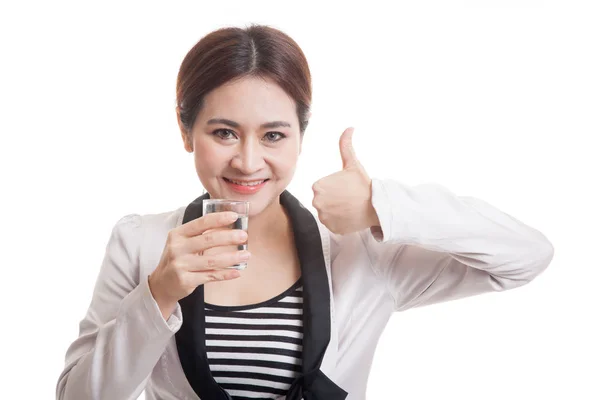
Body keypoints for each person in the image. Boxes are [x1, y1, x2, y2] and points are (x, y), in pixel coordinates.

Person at [56, 24, 554, 400]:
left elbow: (526, 256)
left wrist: (383, 205)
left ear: (299, 137)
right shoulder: (142, 244)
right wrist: (159, 292)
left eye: (273, 135)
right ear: (186, 132)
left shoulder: (361, 254)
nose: (248, 161)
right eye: (224, 132)